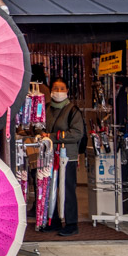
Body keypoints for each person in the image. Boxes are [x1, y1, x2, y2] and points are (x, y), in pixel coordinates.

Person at [44, 77, 85, 236]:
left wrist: (53, 136)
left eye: (62, 88)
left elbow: (76, 133)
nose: (58, 92)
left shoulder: (73, 110)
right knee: (51, 188)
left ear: (67, 91)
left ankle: (71, 224)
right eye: (55, 88)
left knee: (67, 189)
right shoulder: (47, 108)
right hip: (49, 155)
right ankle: (53, 220)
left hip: (67, 156)